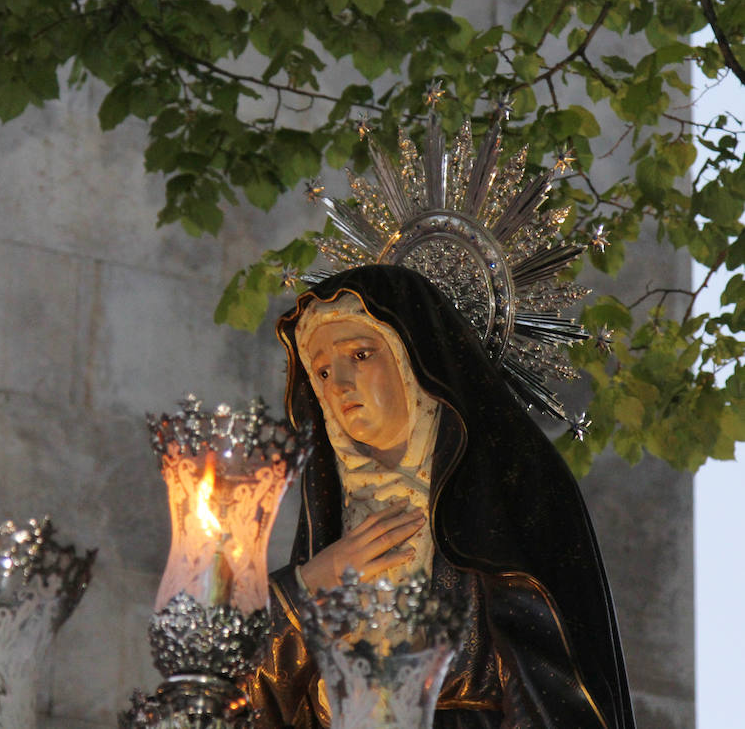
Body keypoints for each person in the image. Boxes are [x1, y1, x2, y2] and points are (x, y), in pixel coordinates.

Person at [247, 264, 636, 729]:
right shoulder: (329, 525)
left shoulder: (506, 490)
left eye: (362, 354)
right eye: (323, 370)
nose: (340, 384)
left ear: (415, 360)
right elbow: (246, 698)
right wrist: (307, 588)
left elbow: (551, 687)